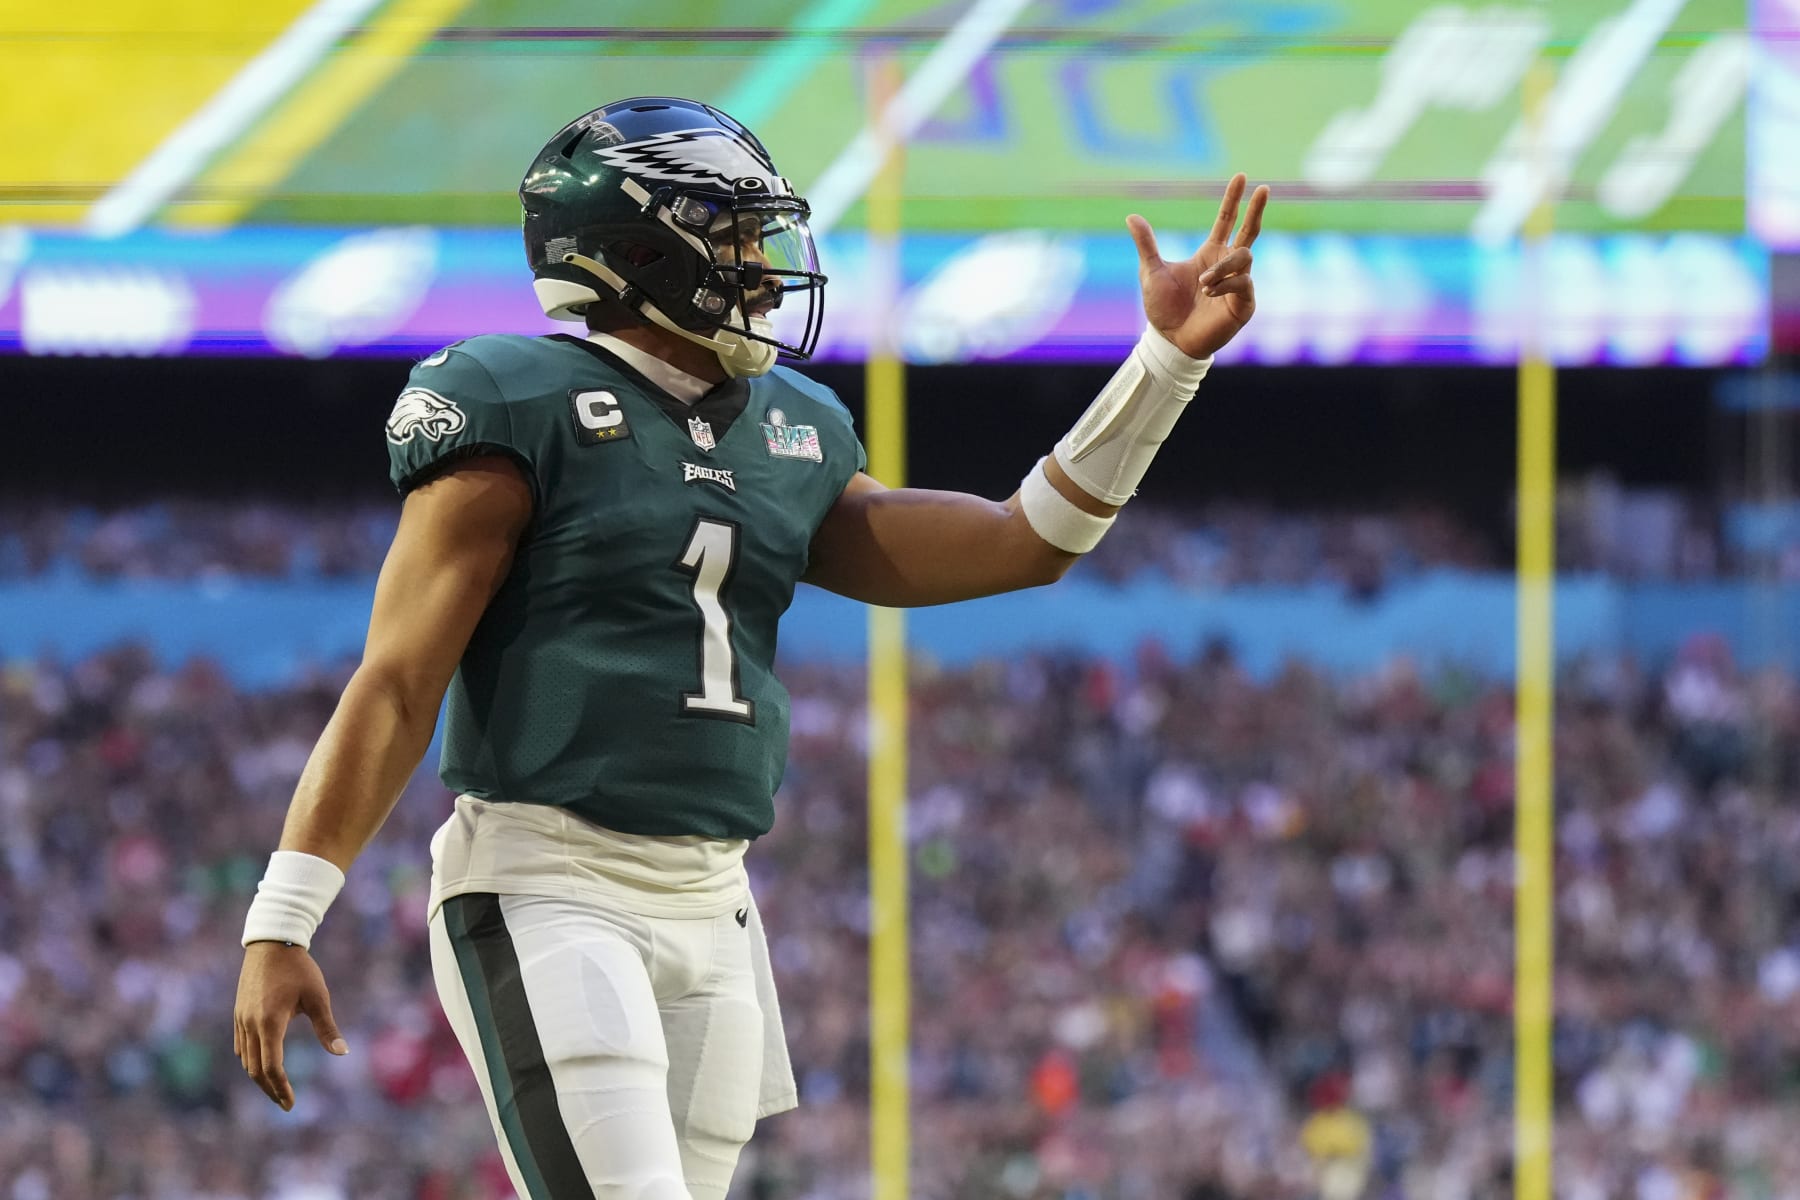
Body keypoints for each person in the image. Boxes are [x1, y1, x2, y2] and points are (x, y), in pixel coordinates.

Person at [232, 95, 1268, 1200]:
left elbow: (1025, 541)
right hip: (550, 882)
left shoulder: (794, 428)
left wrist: (1163, 363)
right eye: (733, 237)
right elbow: (397, 684)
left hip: (716, 900)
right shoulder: (513, 403)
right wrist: (282, 920)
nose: (767, 268)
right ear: (636, 252)